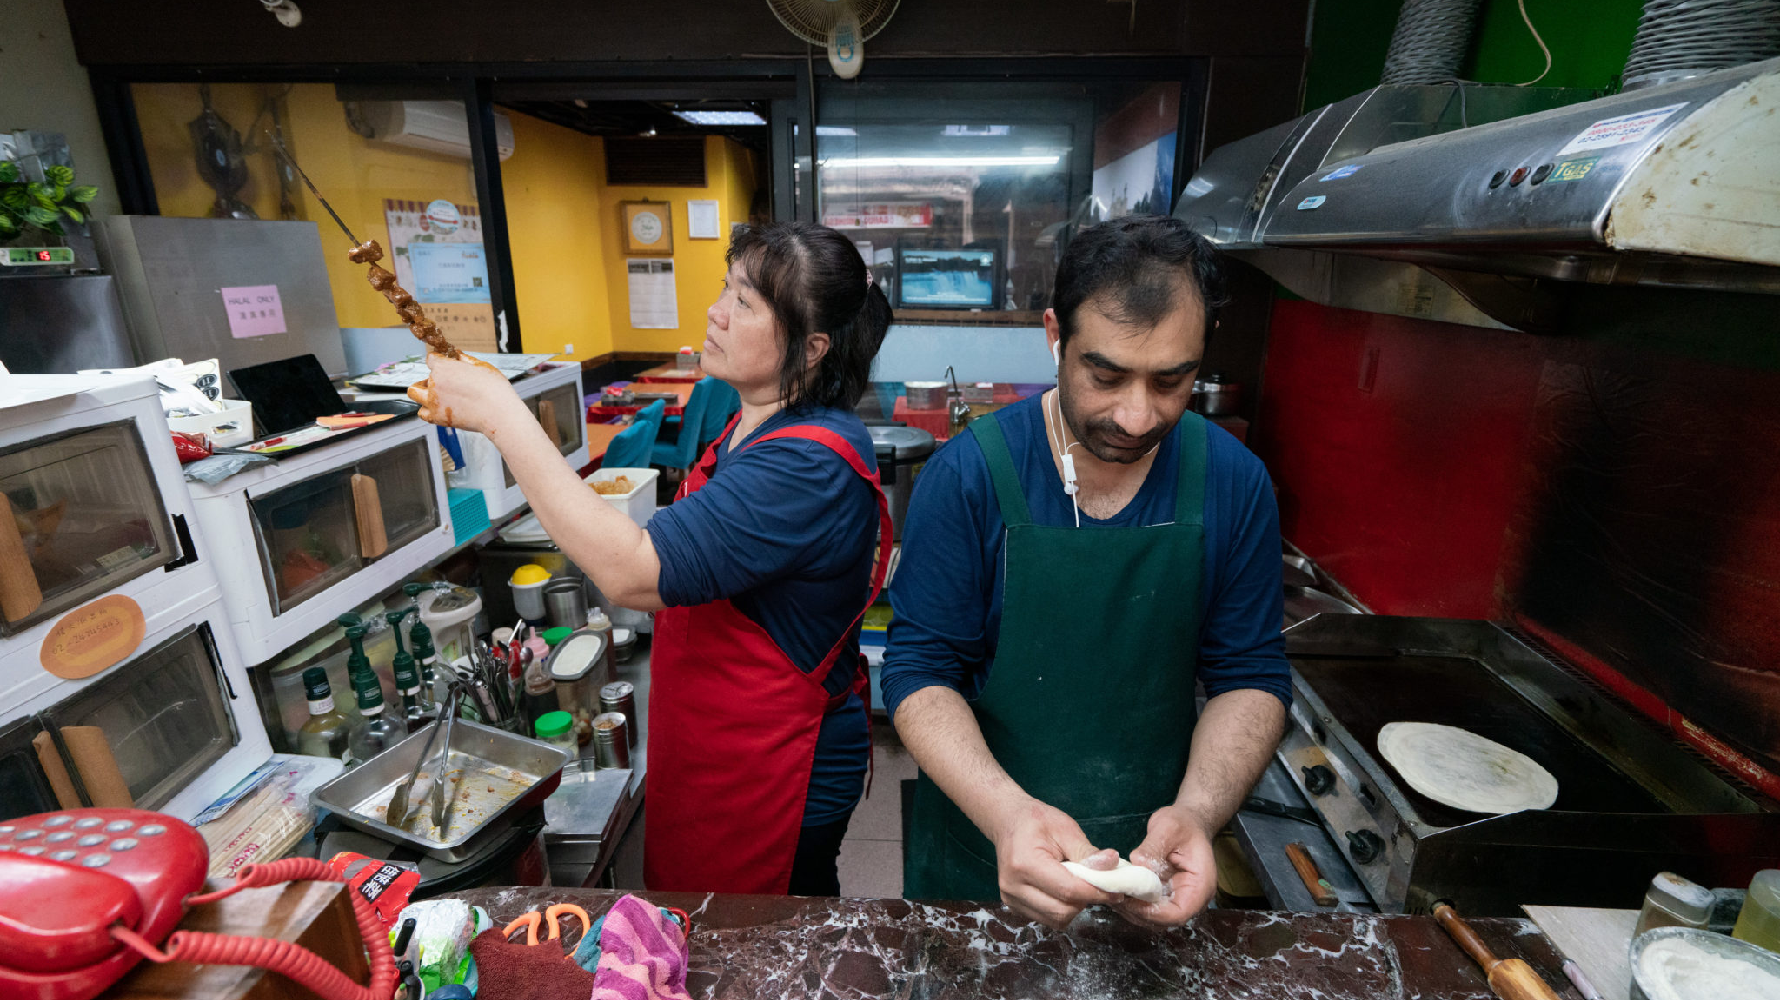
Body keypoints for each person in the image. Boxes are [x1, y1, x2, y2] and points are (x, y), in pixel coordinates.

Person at [413, 221, 893, 896]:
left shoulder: (806, 464)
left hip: (776, 770)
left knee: (766, 950)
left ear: (812, 348)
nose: (715, 311)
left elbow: (634, 570)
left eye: (746, 303)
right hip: (715, 750)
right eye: (725, 288)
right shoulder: (753, 417)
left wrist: (501, 416)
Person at [882, 215, 1290, 928]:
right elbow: (919, 670)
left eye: (1172, 381)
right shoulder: (970, 476)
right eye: (1105, 375)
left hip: (1154, 864)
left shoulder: (1234, 481)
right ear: (1054, 336)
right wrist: (1008, 817)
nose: (1135, 417)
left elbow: (1250, 675)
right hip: (987, 860)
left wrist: (1196, 813)